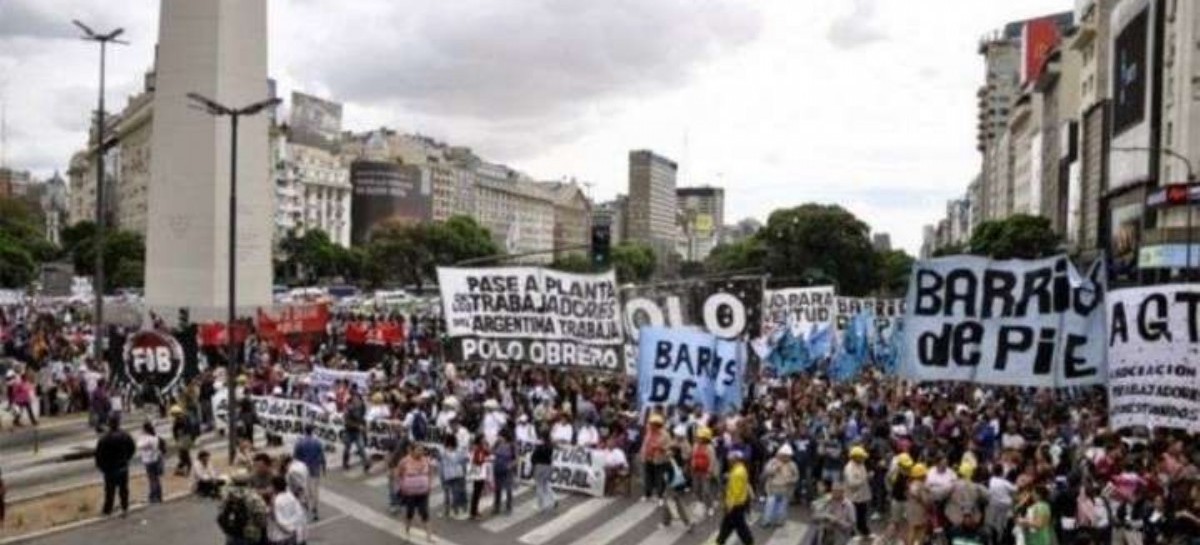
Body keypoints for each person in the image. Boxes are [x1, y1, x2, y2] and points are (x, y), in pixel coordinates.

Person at [94, 414, 135, 517]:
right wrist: (127, 459)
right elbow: (132, 448)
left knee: (109, 491)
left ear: (109, 424)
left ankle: (108, 510)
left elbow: (99, 455)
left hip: (110, 469)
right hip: (123, 466)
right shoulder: (125, 435)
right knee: (124, 489)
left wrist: (102, 467)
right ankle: (124, 507)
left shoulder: (104, 439)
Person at [394, 444, 436, 541]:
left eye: (422, 450)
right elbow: (397, 474)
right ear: (412, 451)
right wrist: (401, 486)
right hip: (410, 493)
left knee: (425, 512)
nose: (421, 452)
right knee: (410, 512)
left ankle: (428, 536)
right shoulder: (404, 461)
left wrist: (430, 484)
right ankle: (407, 528)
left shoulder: (426, 460)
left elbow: (431, 471)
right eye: (418, 450)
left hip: (423, 492)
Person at [218, 470, 269, 545]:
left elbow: (221, 513)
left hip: (232, 533)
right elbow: (261, 518)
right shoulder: (253, 497)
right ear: (248, 482)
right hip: (249, 535)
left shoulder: (227, 496)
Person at [716, 449, 754, 545]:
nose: (728, 461)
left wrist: (729, 506)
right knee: (728, 524)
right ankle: (720, 540)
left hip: (736, 504)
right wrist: (730, 476)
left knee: (739, 526)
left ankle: (749, 542)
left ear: (735, 460)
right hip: (739, 503)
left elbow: (736, 492)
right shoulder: (740, 468)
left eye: (730, 459)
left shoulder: (737, 473)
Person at [292, 426, 326, 521]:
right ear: (312, 431)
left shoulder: (299, 443)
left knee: (305, 488)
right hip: (315, 468)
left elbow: (295, 457)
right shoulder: (317, 442)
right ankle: (315, 510)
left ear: (305, 431)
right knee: (315, 490)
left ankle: (307, 507)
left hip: (303, 469)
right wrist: (324, 468)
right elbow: (322, 456)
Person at [762, 444, 799, 528]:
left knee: (782, 507)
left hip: (785, 489)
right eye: (784, 456)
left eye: (788, 456)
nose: (785, 458)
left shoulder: (792, 465)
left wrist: (790, 481)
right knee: (770, 505)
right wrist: (775, 469)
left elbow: (796, 477)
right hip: (773, 488)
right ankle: (767, 521)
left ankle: (779, 521)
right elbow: (766, 472)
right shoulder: (773, 461)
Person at [660, 444, 694, 530]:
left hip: (671, 485)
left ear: (673, 452)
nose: (667, 451)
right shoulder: (677, 460)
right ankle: (667, 522)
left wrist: (667, 484)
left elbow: (667, 476)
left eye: (670, 450)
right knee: (671, 502)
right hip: (679, 485)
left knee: (673, 503)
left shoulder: (669, 461)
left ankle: (686, 522)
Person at [640, 413, 672, 503]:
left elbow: (669, 447)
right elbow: (645, 444)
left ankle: (660, 496)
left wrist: (661, 448)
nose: (650, 425)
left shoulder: (665, 435)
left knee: (659, 478)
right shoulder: (648, 432)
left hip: (660, 460)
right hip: (648, 458)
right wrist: (643, 454)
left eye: (652, 424)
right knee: (648, 477)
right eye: (650, 424)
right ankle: (647, 494)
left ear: (657, 425)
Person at [267, 475, 306, 545]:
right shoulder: (291, 496)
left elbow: (277, 519)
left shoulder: (276, 500)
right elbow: (299, 513)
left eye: (271, 486)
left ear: (275, 487)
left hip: (279, 537)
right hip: (292, 535)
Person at [691, 426, 719, 516]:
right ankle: (701, 503)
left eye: (700, 437)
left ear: (705, 438)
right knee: (696, 489)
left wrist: (709, 472)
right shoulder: (695, 445)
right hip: (696, 471)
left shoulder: (710, 448)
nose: (698, 438)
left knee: (706, 491)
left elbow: (712, 461)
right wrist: (692, 466)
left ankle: (710, 506)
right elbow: (693, 457)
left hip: (705, 472)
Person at [137, 420, 167, 504]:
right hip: (155, 459)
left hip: (149, 460)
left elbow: (139, 445)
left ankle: (153, 497)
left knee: (152, 479)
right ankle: (159, 495)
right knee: (156, 479)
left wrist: (141, 435)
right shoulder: (154, 437)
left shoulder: (148, 439)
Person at [440, 434, 468, 519]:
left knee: (447, 493)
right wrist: (464, 473)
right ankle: (456, 509)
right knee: (456, 493)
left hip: (447, 475)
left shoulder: (443, 452)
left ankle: (448, 510)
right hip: (458, 474)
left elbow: (441, 465)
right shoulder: (459, 451)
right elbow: (464, 461)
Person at [342, 387, 370, 472]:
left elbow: (363, 418)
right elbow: (347, 422)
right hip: (349, 431)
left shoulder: (362, 407)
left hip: (357, 432)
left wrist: (364, 426)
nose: (358, 401)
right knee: (347, 448)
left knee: (361, 447)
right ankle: (345, 462)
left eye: (358, 398)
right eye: (355, 398)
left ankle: (366, 464)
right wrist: (358, 426)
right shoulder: (348, 409)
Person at [532, 430, 558, 512]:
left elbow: (534, 456)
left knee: (539, 486)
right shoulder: (550, 445)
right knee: (546, 484)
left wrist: (533, 463)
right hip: (548, 466)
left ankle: (541, 505)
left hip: (539, 466)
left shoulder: (540, 446)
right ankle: (553, 498)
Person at [491, 431, 517, 515]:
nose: (498, 438)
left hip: (507, 471)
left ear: (504, 437)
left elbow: (516, 459)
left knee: (508, 489)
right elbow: (491, 452)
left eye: (500, 436)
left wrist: (510, 465)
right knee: (497, 489)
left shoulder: (512, 446)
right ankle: (496, 507)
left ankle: (508, 507)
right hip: (497, 469)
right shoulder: (497, 444)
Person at [467, 435, 490, 519]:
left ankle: (474, 511)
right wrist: (486, 459)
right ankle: (473, 512)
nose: (485, 440)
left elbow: (488, 452)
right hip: (478, 473)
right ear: (480, 440)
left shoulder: (481, 448)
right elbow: (478, 460)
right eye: (483, 439)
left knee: (477, 493)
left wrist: (486, 448)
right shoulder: (478, 449)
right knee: (476, 493)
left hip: (479, 472)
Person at [171, 404, 197, 476]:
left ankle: (186, 471)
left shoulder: (182, 420)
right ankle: (182, 470)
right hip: (183, 439)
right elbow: (175, 432)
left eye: (174, 415)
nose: (174, 417)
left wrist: (191, 438)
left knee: (184, 456)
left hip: (185, 439)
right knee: (183, 456)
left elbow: (189, 429)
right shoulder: (180, 420)